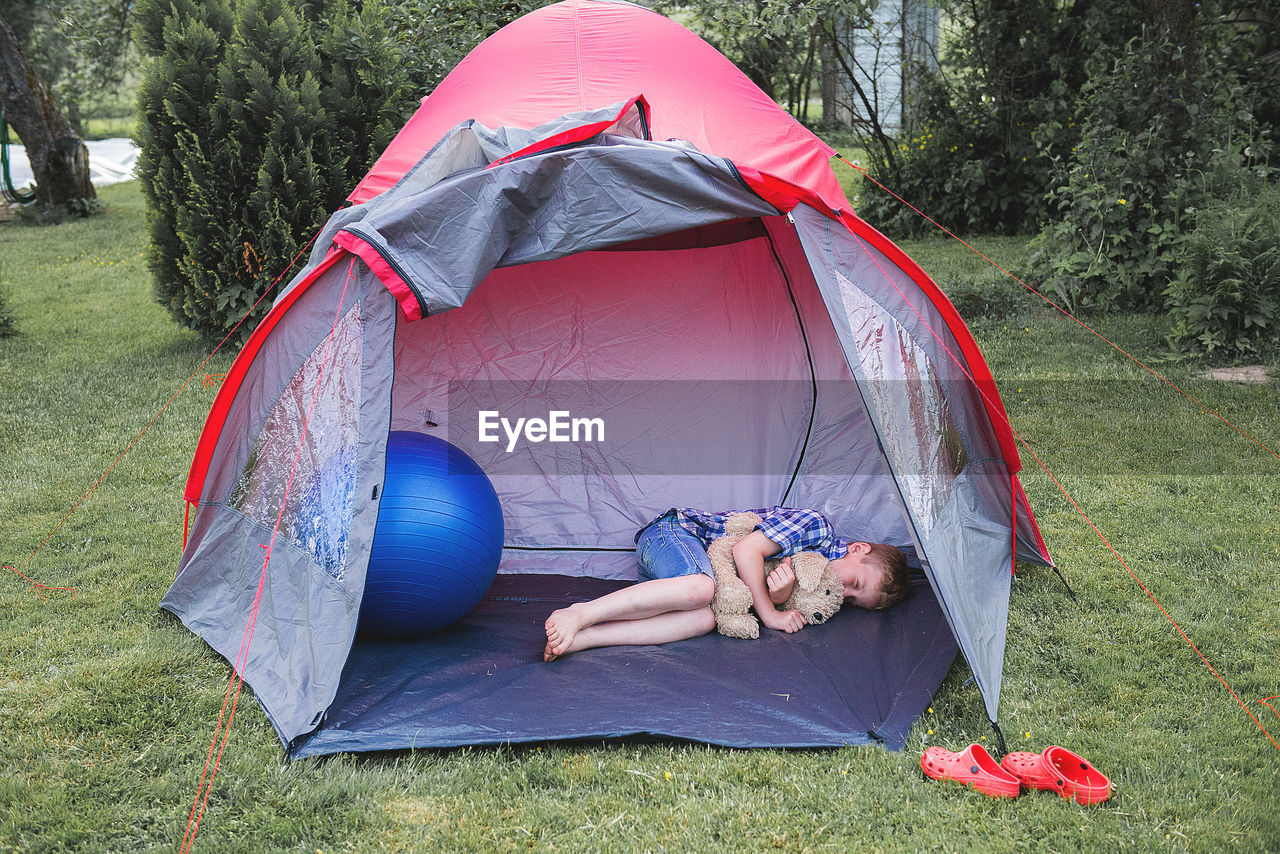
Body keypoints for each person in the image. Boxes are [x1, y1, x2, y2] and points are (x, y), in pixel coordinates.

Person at [543, 505, 910, 661]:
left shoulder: (820, 591)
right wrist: (769, 612)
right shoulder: (817, 527)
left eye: (851, 600)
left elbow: (750, 591)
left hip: (675, 583)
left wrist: (778, 596)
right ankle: (581, 613)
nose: (843, 592)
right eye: (856, 583)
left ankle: (587, 639)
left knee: (704, 620)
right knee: (701, 589)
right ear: (858, 549)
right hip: (674, 535)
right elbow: (747, 550)